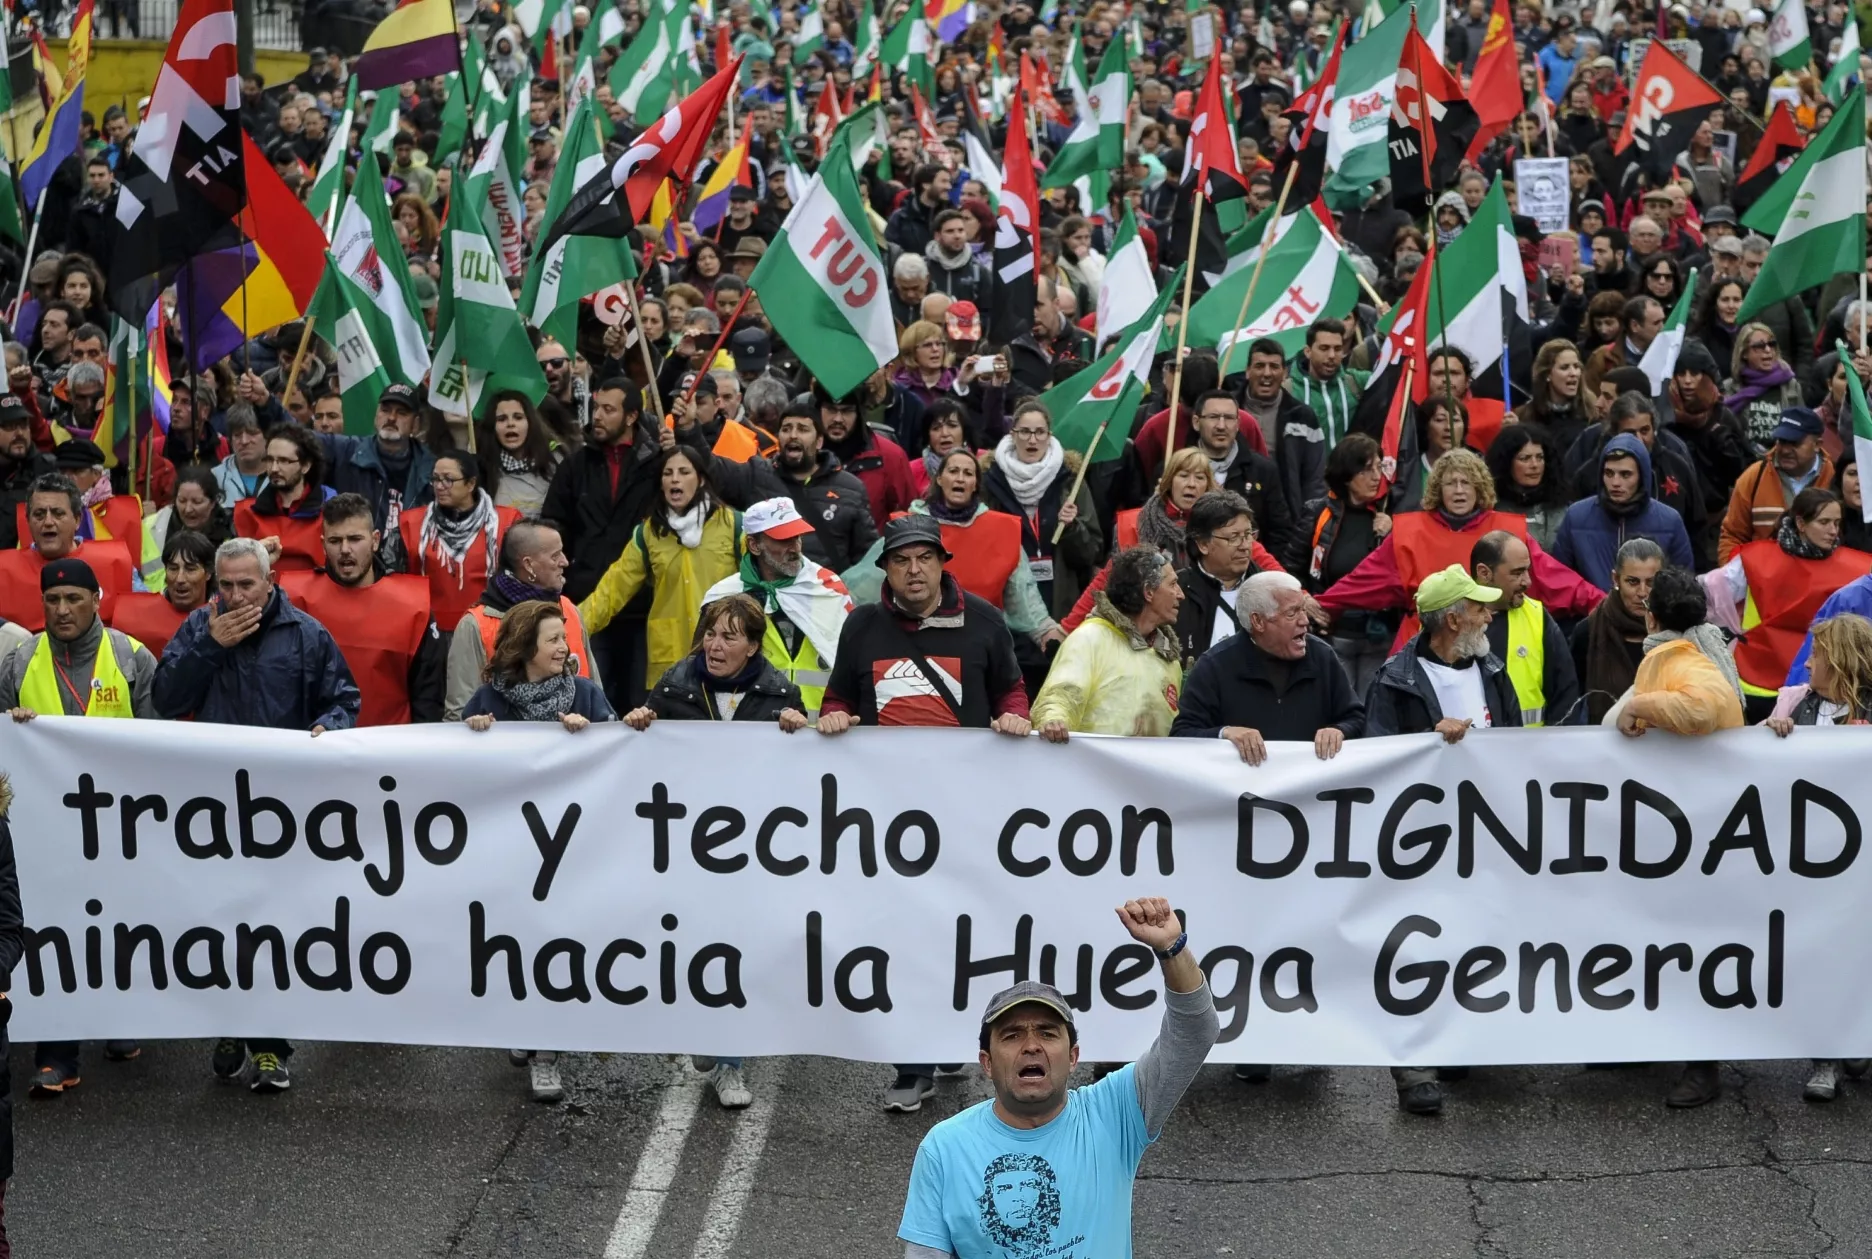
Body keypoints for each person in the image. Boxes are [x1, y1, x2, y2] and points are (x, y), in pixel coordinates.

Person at [819, 515, 1030, 1114]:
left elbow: (1012, 691)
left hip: (965, 814)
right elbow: (837, 695)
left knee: (959, 934)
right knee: (901, 935)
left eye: (925, 559)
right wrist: (835, 715)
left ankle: (954, 1038)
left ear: (942, 564)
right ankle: (912, 1065)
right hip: (883, 820)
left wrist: (1014, 716)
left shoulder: (985, 621)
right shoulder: (861, 626)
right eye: (902, 560)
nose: (914, 570)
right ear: (885, 568)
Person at [897, 900, 1219, 1259]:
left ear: (1073, 1057)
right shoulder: (944, 1148)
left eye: (1048, 1034)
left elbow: (1195, 1031)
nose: (1031, 1046)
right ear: (986, 1063)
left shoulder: (1116, 1113)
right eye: (1012, 1035)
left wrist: (1172, 949)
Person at [151, 538, 360, 1092]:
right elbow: (167, 699)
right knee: (220, 917)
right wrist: (209, 648)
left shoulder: (306, 633)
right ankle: (228, 1023)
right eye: (226, 585)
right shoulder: (201, 628)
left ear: (270, 582)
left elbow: (344, 698)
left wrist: (330, 728)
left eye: (248, 584)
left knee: (276, 923)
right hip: (213, 804)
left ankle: (271, 1044)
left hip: (284, 807)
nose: (237, 595)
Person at [0, 556, 158, 1096]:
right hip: (48, 831)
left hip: (120, 824)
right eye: (52, 600)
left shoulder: (131, 656)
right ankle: (57, 1052)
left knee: (117, 925)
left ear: (97, 601)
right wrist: (16, 730)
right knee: (56, 930)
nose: (62, 610)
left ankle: (117, 1018)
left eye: (73, 599)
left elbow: (162, 742)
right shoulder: (20, 661)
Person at [462, 597, 612, 1105]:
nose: (563, 647)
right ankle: (523, 1028)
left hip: (570, 848)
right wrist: (473, 736)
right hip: (510, 849)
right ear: (525, 647)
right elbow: (457, 772)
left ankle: (546, 1052)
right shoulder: (487, 700)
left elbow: (621, 758)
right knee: (515, 941)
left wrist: (590, 736)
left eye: (563, 637)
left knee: (556, 943)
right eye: (552, 639)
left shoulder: (586, 694)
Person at [1318, 449, 1602, 652]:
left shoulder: (1508, 533)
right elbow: (1361, 582)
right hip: (1422, 648)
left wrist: (1607, 605)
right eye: (1450, 483)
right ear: (1437, 489)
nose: (1458, 490)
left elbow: (1557, 581)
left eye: (1466, 483)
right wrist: (1319, 604)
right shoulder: (1408, 534)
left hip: (1495, 643)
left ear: (1479, 488)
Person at [1764, 610, 1872, 1103]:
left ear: (1843, 661)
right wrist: (1771, 729)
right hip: (1811, 860)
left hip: (1862, 861)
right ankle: (1826, 1056)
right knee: (1822, 953)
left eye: (1817, 655)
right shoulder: (1793, 702)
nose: (1807, 665)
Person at [847, 450, 1063, 654]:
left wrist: (1052, 637)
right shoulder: (906, 526)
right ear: (939, 479)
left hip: (979, 650)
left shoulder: (1003, 532)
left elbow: (1026, 601)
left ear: (976, 484)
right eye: (953, 471)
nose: (960, 478)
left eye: (968, 473)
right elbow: (860, 586)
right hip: (912, 648)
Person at [541, 377, 664, 702]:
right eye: (597, 407)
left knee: (640, 705)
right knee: (592, 700)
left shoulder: (659, 466)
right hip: (587, 602)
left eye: (608, 409)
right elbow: (554, 525)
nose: (597, 416)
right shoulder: (575, 465)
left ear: (631, 416)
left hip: (642, 609)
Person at [579, 445, 741, 689]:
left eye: (684, 472)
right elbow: (611, 591)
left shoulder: (733, 525)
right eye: (668, 473)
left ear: (701, 480)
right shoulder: (648, 533)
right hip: (670, 663)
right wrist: (571, 626)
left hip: (724, 657)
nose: (675, 478)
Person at [1705, 487, 1869, 721]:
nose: (1833, 531)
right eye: (1824, 522)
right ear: (1801, 524)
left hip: (1816, 688)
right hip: (1756, 686)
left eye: (1836, 523)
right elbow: (1710, 599)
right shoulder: (1752, 561)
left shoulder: (1857, 568)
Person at [280, 494, 444, 726]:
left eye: (355, 539)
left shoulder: (413, 605)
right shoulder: (292, 600)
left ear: (375, 540)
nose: (345, 549)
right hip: (314, 744)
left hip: (390, 747)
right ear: (323, 544)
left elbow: (428, 696)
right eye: (335, 541)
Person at [1170, 568, 1365, 763]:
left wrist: (1339, 730)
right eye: (1292, 613)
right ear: (1258, 622)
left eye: (1303, 609)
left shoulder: (1322, 656)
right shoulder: (1214, 666)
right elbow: (1182, 734)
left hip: (1311, 788)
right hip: (1243, 789)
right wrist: (1225, 733)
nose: (1305, 621)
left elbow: (1356, 718)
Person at [699, 497, 851, 720]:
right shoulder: (723, 597)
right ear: (754, 545)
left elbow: (854, 663)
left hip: (822, 730)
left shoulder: (828, 588)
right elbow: (698, 670)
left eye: (797, 537)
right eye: (783, 540)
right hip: (755, 730)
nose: (795, 548)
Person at [445, 520, 596, 722]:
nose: (565, 562)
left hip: (575, 750)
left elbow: (597, 698)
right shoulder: (476, 625)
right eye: (555, 556)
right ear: (528, 564)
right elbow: (460, 714)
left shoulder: (570, 611)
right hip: (505, 751)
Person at [1032, 547, 1184, 739]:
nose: (1180, 594)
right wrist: (1053, 720)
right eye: (1173, 584)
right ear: (1148, 592)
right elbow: (1061, 695)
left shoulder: (1169, 659)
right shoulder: (1089, 638)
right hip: (1091, 768)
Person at [980, 399, 1101, 622]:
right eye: (1025, 432)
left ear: (1049, 436)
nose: (1032, 439)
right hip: (1007, 604)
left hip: (1060, 601)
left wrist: (1072, 528)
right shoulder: (990, 480)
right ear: (1013, 434)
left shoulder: (1070, 481)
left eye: (1039, 432)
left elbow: (1091, 552)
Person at [1550, 432, 1696, 586]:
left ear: (1642, 476)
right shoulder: (1576, 516)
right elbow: (1560, 580)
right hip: (1590, 608)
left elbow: (1682, 585)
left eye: (1625, 474)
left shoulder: (1669, 521)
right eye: (1609, 473)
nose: (1615, 482)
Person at [398, 452, 520, 634]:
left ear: (471, 483)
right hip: (429, 631)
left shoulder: (506, 523)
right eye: (435, 479)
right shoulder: (411, 524)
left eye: (448, 480)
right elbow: (397, 583)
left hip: (489, 629)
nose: (439, 486)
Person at [310, 383, 439, 553]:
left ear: (415, 424)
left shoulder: (432, 468)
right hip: (358, 565)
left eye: (401, 413)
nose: (391, 418)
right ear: (376, 416)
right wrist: (268, 404)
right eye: (385, 410)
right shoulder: (348, 451)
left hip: (411, 569)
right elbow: (301, 438)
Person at [1472, 530, 1582, 726]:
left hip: (1532, 751)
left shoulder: (1538, 617)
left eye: (1527, 570)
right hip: (1468, 751)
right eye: (1517, 573)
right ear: (1484, 573)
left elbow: (1565, 697)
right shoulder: (1451, 620)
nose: (1528, 582)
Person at [0, 474, 135, 631]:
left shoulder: (117, 562)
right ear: (28, 521)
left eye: (58, 513)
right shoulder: (3, 569)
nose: (48, 522)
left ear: (77, 520)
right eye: (39, 514)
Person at [769, 396, 877, 573]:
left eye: (803, 429)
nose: (793, 435)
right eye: (786, 429)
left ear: (819, 441)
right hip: (775, 593)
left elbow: (866, 557)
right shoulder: (761, 478)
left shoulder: (852, 488)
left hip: (830, 594)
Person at [1720, 406, 1837, 562]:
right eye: (1782, 441)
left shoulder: (1836, 479)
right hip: (1763, 582)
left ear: (1817, 444)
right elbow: (1732, 536)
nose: (1785, 450)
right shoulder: (1753, 478)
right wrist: (1739, 579)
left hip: (1823, 581)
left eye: (1795, 443)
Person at [235, 424, 337, 571]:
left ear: (306, 466)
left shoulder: (331, 509)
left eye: (284, 461)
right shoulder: (247, 512)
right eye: (270, 460)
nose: (274, 468)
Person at [108, 529, 215, 657]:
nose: (179, 579)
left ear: (208, 573)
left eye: (190, 569)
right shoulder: (133, 619)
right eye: (173, 569)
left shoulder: (225, 616)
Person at [1486, 424, 1570, 553]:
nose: (1535, 465)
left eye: (1540, 457)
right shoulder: (1490, 508)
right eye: (1525, 458)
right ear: (1506, 463)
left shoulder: (1564, 509)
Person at [477, 391, 562, 519]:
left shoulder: (555, 464)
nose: (510, 424)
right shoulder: (482, 469)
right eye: (502, 419)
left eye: (518, 417)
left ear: (530, 423)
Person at [1723, 322, 1805, 451]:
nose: (1767, 350)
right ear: (1744, 353)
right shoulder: (1730, 388)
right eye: (1759, 346)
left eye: (1771, 344)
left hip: (1782, 460)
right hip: (1745, 461)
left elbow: (1802, 429)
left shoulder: (1790, 385)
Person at [150, 466, 235, 555]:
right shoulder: (157, 527)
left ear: (213, 502)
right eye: (182, 500)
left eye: (197, 502)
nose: (188, 509)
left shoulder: (231, 530)